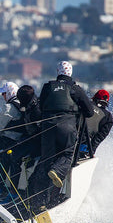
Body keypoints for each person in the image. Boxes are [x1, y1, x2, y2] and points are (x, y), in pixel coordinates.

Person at [38, 61, 94, 189]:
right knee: (68, 154)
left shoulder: (47, 87)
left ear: (58, 72)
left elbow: (41, 107)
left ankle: (41, 201)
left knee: (46, 159)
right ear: (71, 73)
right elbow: (90, 112)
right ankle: (57, 171)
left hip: (47, 126)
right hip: (67, 127)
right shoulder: (76, 89)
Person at [83, 89, 113, 155]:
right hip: (85, 144)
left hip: (71, 136)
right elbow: (100, 137)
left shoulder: (85, 104)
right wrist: (92, 151)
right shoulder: (108, 116)